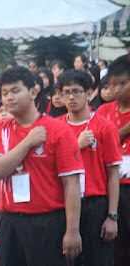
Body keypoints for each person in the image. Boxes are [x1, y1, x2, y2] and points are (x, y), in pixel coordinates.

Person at [0, 66, 84, 266]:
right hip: (9, 221)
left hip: (47, 222)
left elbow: (71, 185)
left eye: (15, 91)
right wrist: (28, 142)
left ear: (33, 92)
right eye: (4, 93)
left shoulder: (58, 130)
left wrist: (72, 230)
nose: (9, 97)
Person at [59, 69, 121, 266]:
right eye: (66, 92)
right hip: (63, 203)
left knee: (99, 259)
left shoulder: (104, 127)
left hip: (95, 204)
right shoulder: (56, 127)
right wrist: (76, 145)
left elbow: (112, 174)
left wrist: (112, 215)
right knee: (67, 259)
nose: (71, 97)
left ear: (89, 93)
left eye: (76, 91)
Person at [95, 57, 130, 266]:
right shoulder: (103, 112)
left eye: (123, 83)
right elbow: (101, 145)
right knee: (117, 248)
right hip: (112, 189)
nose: (116, 89)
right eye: (111, 85)